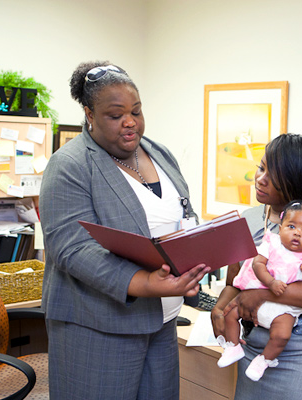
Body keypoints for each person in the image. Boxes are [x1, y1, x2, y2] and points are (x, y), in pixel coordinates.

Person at [39, 61, 210, 400]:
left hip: (162, 321)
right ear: (90, 114)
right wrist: (143, 282)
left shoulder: (159, 153)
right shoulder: (69, 165)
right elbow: (71, 249)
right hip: (98, 327)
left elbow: (182, 215)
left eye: (136, 111)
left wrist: (202, 250)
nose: (130, 122)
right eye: (115, 115)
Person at [210, 133, 302, 399]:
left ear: (297, 178)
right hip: (253, 349)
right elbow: (236, 282)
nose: (260, 178)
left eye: (273, 174)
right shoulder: (250, 217)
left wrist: (265, 294)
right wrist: (220, 308)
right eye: (261, 167)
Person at [215, 200, 302, 381]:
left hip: (285, 306)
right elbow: (258, 264)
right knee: (230, 314)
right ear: (280, 227)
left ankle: (264, 360)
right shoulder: (271, 242)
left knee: (282, 335)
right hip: (259, 295)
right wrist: (272, 283)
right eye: (291, 226)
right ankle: (233, 347)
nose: (297, 233)